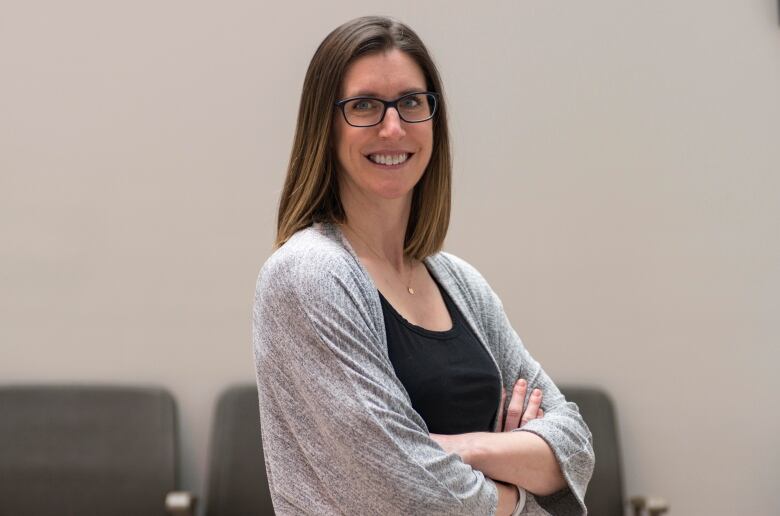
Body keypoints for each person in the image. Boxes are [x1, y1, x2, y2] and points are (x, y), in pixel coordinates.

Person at [253, 16, 594, 515]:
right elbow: (400, 492)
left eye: (411, 102)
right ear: (323, 126)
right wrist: (520, 492)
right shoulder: (307, 276)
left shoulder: (459, 282)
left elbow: (576, 446)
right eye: (364, 106)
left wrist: (456, 448)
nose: (393, 127)